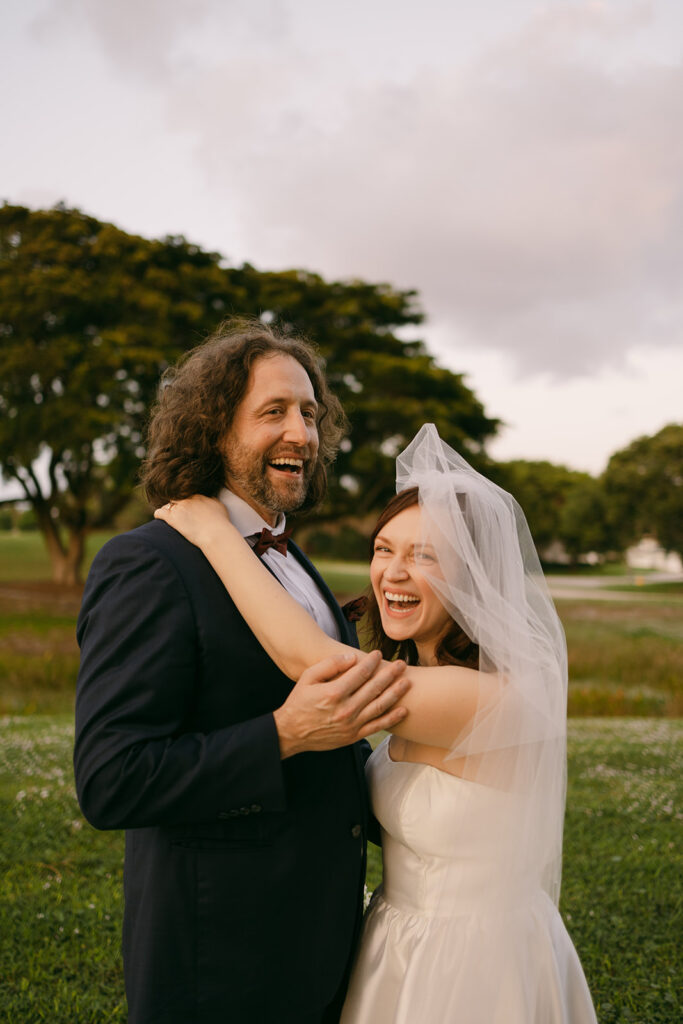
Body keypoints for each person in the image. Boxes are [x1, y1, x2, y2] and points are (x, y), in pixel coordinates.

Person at [154, 423, 599, 1023]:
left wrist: (215, 533)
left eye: (424, 557)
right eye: (384, 549)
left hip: (473, 964)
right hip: (394, 942)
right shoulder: (423, 674)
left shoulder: (499, 697)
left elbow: (314, 663)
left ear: (475, 576)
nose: (392, 573)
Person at [73, 319, 410, 1024]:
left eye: (310, 414)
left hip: (323, 953)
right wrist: (282, 735)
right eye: (273, 412)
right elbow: (112, 780)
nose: (302, 433)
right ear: (213, 428)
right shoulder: (150, 563)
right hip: (219, 965)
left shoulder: (295, 561)